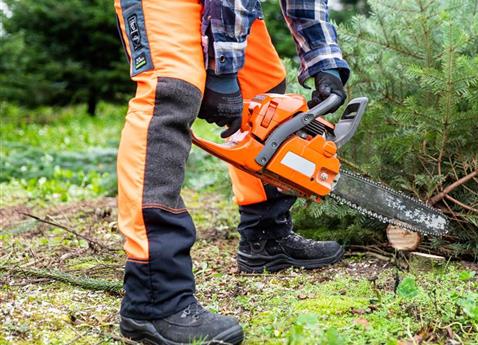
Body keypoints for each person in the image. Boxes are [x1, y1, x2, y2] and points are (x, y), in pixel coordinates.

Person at [112, 0, 350, 343]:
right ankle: (153, 295)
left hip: (230, 10)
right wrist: (222, 75)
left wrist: (324, 61)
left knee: (264, 85)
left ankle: (266, 235)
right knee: (171, 93)